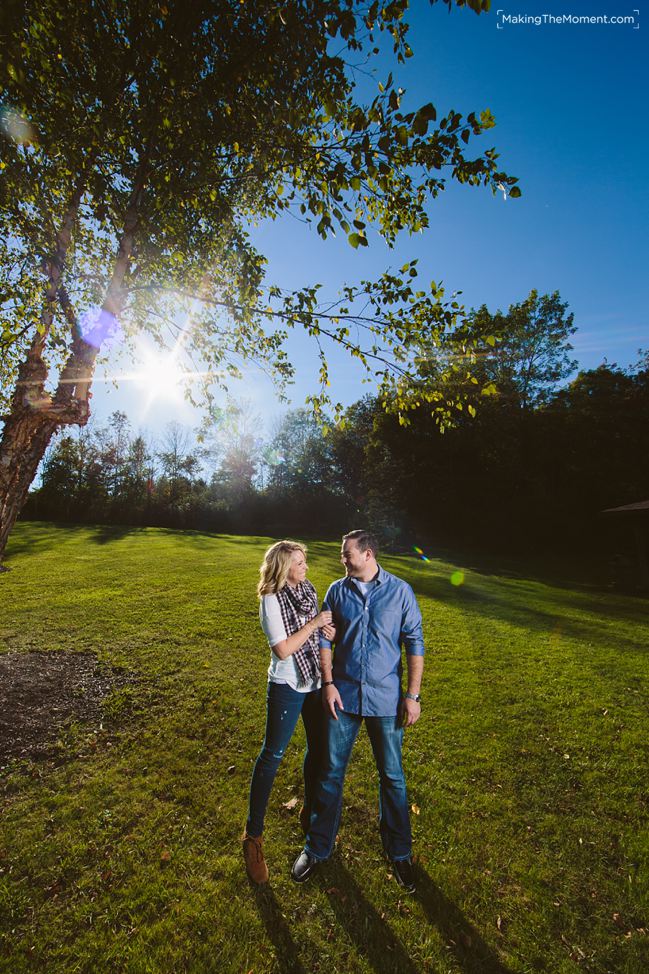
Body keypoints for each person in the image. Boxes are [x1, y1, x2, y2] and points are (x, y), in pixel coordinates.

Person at [291, 529, 424, 893]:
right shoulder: (337, 590)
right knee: (330, 773)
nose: (342, 559)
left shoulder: (400, 592)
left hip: (385, 700)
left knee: (392, 777)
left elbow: (415, 642)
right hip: (343, 697)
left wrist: (412, 696)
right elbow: (324, 638)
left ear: (367, 554)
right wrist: (329, 682)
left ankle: (400, 854)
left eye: (346, 553)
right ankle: (317, 848)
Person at [242, 540, 334, 884]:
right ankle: (253, 836)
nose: (306, 567)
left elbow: (317, 634)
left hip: (314, 680)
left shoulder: (306, 589)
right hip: (287, 685)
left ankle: (311, 814)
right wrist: (313, 625)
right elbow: (283, 650)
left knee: (321, 751)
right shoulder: (271, 600)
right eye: (299, 562)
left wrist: (327, 629)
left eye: (305, 561)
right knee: (273, 755)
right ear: (284, 567)